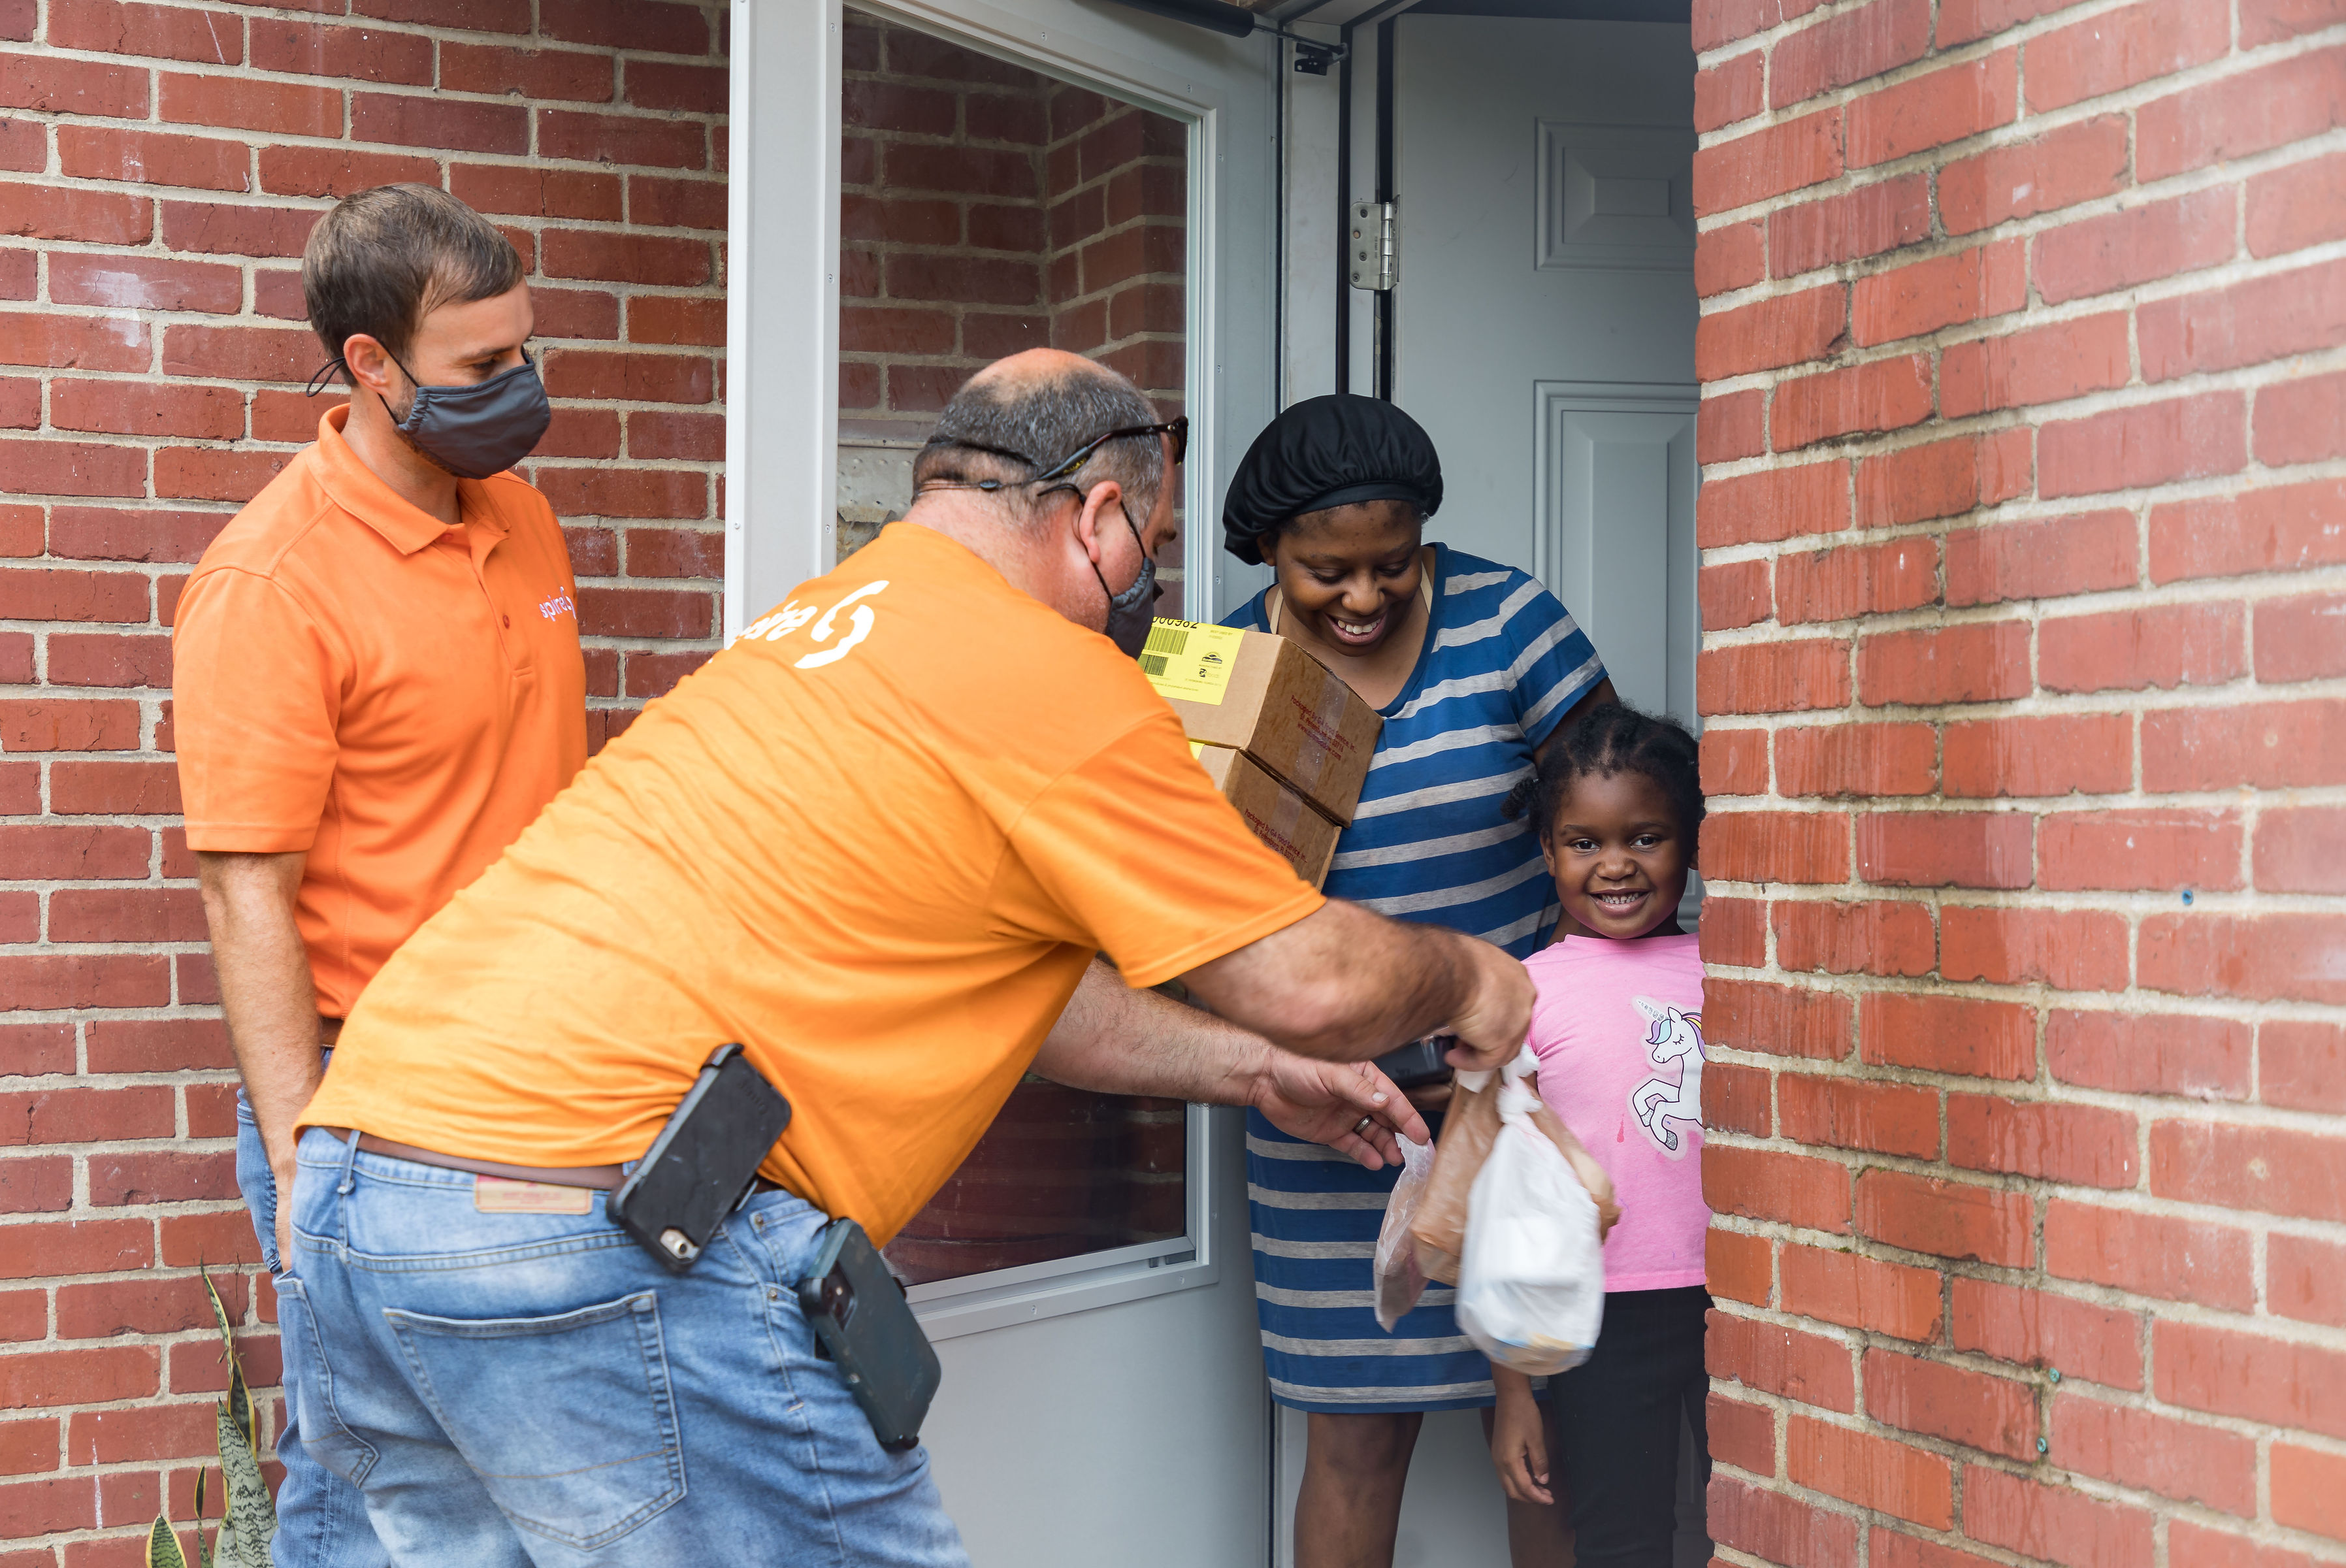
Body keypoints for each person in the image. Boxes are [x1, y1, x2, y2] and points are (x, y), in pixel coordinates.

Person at [278, 350, 1535, 1567]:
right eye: (1149, 556)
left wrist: (1251, 1072)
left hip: (361, 1190)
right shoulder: (1043, 670)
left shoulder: (818, 627)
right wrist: (1479, 980)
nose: (1146, 590)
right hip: (602, 1225)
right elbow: (1310, 979)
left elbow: (1016, 992)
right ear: (1099, 514)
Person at [172, 183, 584, 1568]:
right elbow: (246, 895)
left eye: (524, 352)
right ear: (367, 365)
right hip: (370, 1102)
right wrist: (304, 1167)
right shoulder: (271, 584)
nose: (516, 388)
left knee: (522, 1484)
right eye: (480, 368)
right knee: (374, 1505)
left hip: (530, 1084)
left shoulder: (519, 512)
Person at [1218, 393, 1620, 1568]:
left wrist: (1578, 1028)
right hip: (1327, 1119)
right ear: (1266, 555)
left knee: (1550, 1421)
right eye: (1322, 572)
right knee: (1352, 1435)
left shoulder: (1510, 626)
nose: (1360, 597)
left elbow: (1616, 812)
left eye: (1390, 565)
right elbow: (1198, 911)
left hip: (1523, 1099)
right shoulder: (1233, 676)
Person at [1488, 703, 1711, 1567]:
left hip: (1740, 1300)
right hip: (1600, 1317)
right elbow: (1498, 1201)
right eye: (1584, 843)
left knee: (1767, 1515)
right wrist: (1515, 1393)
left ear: (1689, 844)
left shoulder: (1736, 972)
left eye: (1645, 837)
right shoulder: (1520, 995)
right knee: (1623, 1542)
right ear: (1548, 853)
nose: (1615, 865)